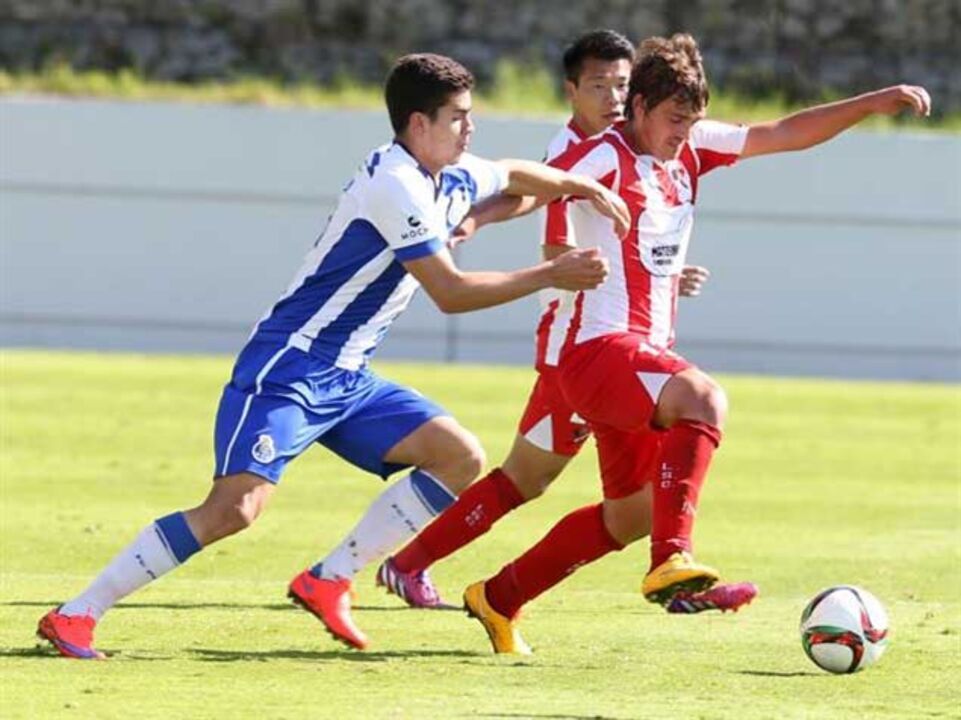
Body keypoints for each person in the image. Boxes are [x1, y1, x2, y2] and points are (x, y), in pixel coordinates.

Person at [36, 52, 632, 659]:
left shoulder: (448, 171)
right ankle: (76, 614)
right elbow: (450, 293)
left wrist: (579, 183)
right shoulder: (394, 184)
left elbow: (510, 173)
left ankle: (328, 578)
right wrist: (551, 273)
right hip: (290, 366)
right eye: (458, 118)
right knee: (233, 510)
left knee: (457, 457)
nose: (469, 129)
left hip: (347, 377)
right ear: (418, 125)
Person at [460, 33, 931, 653]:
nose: (685, 131)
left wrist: (870, 103)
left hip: (641, 361)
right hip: (596, 353)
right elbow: (533, 190)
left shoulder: (692, 149)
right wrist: (469, 217)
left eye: (692, 119)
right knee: (704, 398)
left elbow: (784, 132)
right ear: (639, 108)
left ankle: (498, 598)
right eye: (674, 119)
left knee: (628, 516)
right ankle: (673, 561)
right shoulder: (601, 156)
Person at [374, 29, 741, 616]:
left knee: (549, 483)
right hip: (581, 347)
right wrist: (476, 221)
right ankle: (415, 564)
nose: (614, 96)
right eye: (601, 85)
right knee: (531, 479)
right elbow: (550, 237)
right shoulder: (579, 150)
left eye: (623, 84)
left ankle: (416, 565)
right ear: (573, 90)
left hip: (609, 344)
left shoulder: (634, 152)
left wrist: (668, 274)